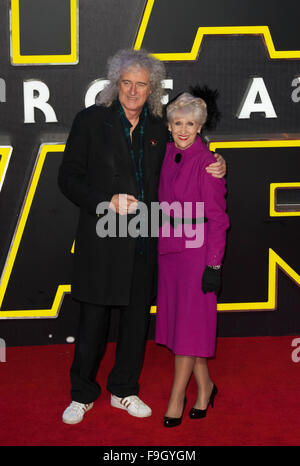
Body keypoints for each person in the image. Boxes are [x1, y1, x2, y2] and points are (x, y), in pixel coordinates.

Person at [58, 48, 226, 425]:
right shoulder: (89, 121)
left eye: (141, 85)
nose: (133, 91)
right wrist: (106, 201)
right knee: (92, 326)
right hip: (102, 240)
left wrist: (217, 160)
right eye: (126, 83)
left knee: (135, 325)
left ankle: (124, 390)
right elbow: (67, 179)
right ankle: (82, 394)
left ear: (152, 90)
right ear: (115, 84)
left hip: (143, 243)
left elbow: (189, 150)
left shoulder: (157, 127)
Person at [155, 91, 229, 427]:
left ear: (200, 128)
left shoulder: (208, 163)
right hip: (170, 255)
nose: (183, 130)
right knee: (186, 329)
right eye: (177, 123)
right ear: (169, 126)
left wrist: (213, 265)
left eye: (190, 124)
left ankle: (176, 399)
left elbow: (219, 219)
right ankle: (207, 387)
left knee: (187, 331)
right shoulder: (167, 152)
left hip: (198, 257)